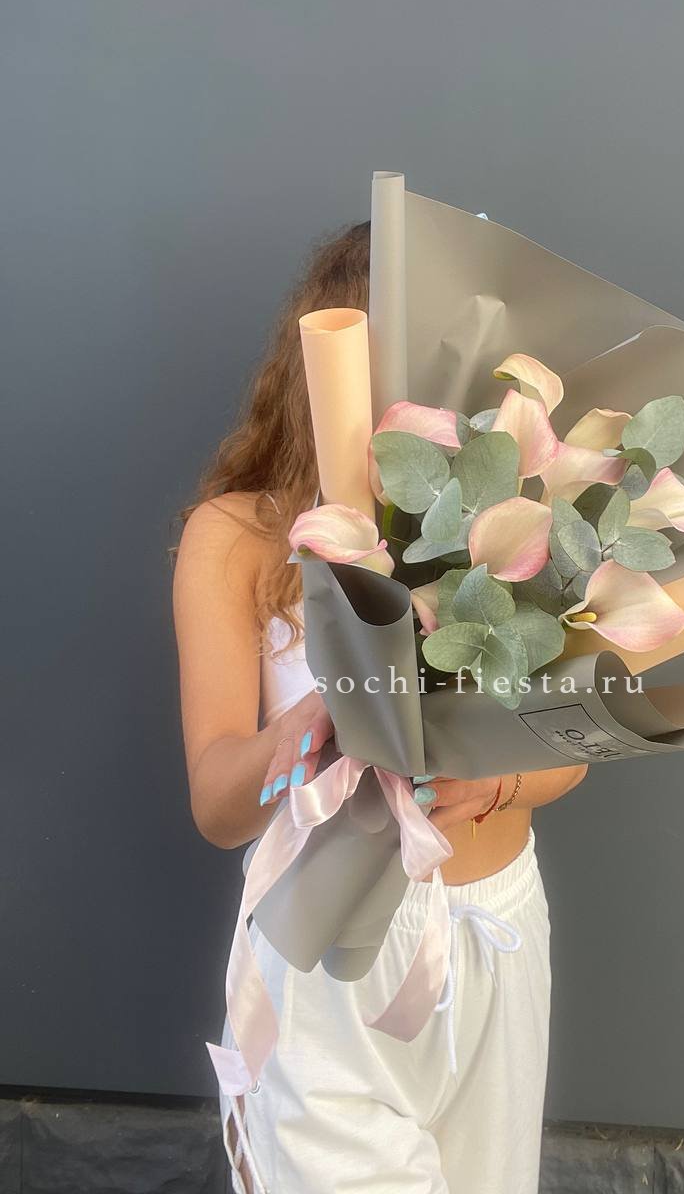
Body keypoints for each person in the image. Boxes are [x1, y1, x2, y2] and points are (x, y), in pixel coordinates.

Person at [171, 218, 590, 1194]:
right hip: (328, 952)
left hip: (494, 936)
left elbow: (568, 753)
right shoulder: (235, 538)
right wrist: (297, 736)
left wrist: (494, 782)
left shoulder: (517, 525)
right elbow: (216, 805)